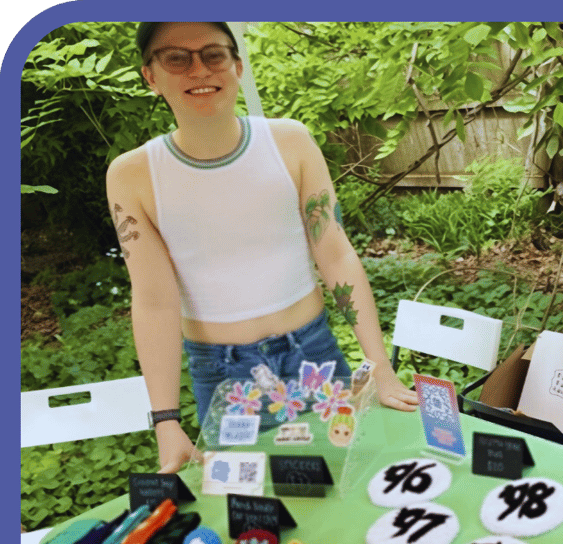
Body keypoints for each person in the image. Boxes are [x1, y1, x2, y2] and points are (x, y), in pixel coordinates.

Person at [105, 21, 418, 474]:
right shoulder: (131, 174)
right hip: (224, 376)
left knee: (349, 486)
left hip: (315, 358)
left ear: (237, 65)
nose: (198, 69)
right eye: (176, 57)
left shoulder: (290, 142)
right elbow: (154, 301)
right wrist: (165, 422)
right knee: (256, 517)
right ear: (150, 76)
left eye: (213, 54)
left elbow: (335, 253)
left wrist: (378, 366)